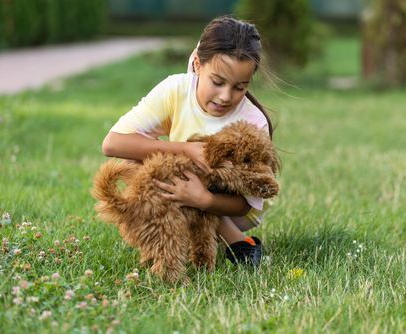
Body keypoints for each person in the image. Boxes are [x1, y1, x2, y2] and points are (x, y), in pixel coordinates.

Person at [101, 16, 278, 267]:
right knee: (132, 159)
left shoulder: (253, 120)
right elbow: (112, 144)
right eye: (217, 82)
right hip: (184, 184)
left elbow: (244, 204)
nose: (226, 96)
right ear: (197, 64)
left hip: (230, 206)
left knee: (209, 186)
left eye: (240, 87)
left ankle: (240, 243)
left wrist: (203, 199)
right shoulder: (176, 89)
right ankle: (166, 233)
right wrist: (184, 149)